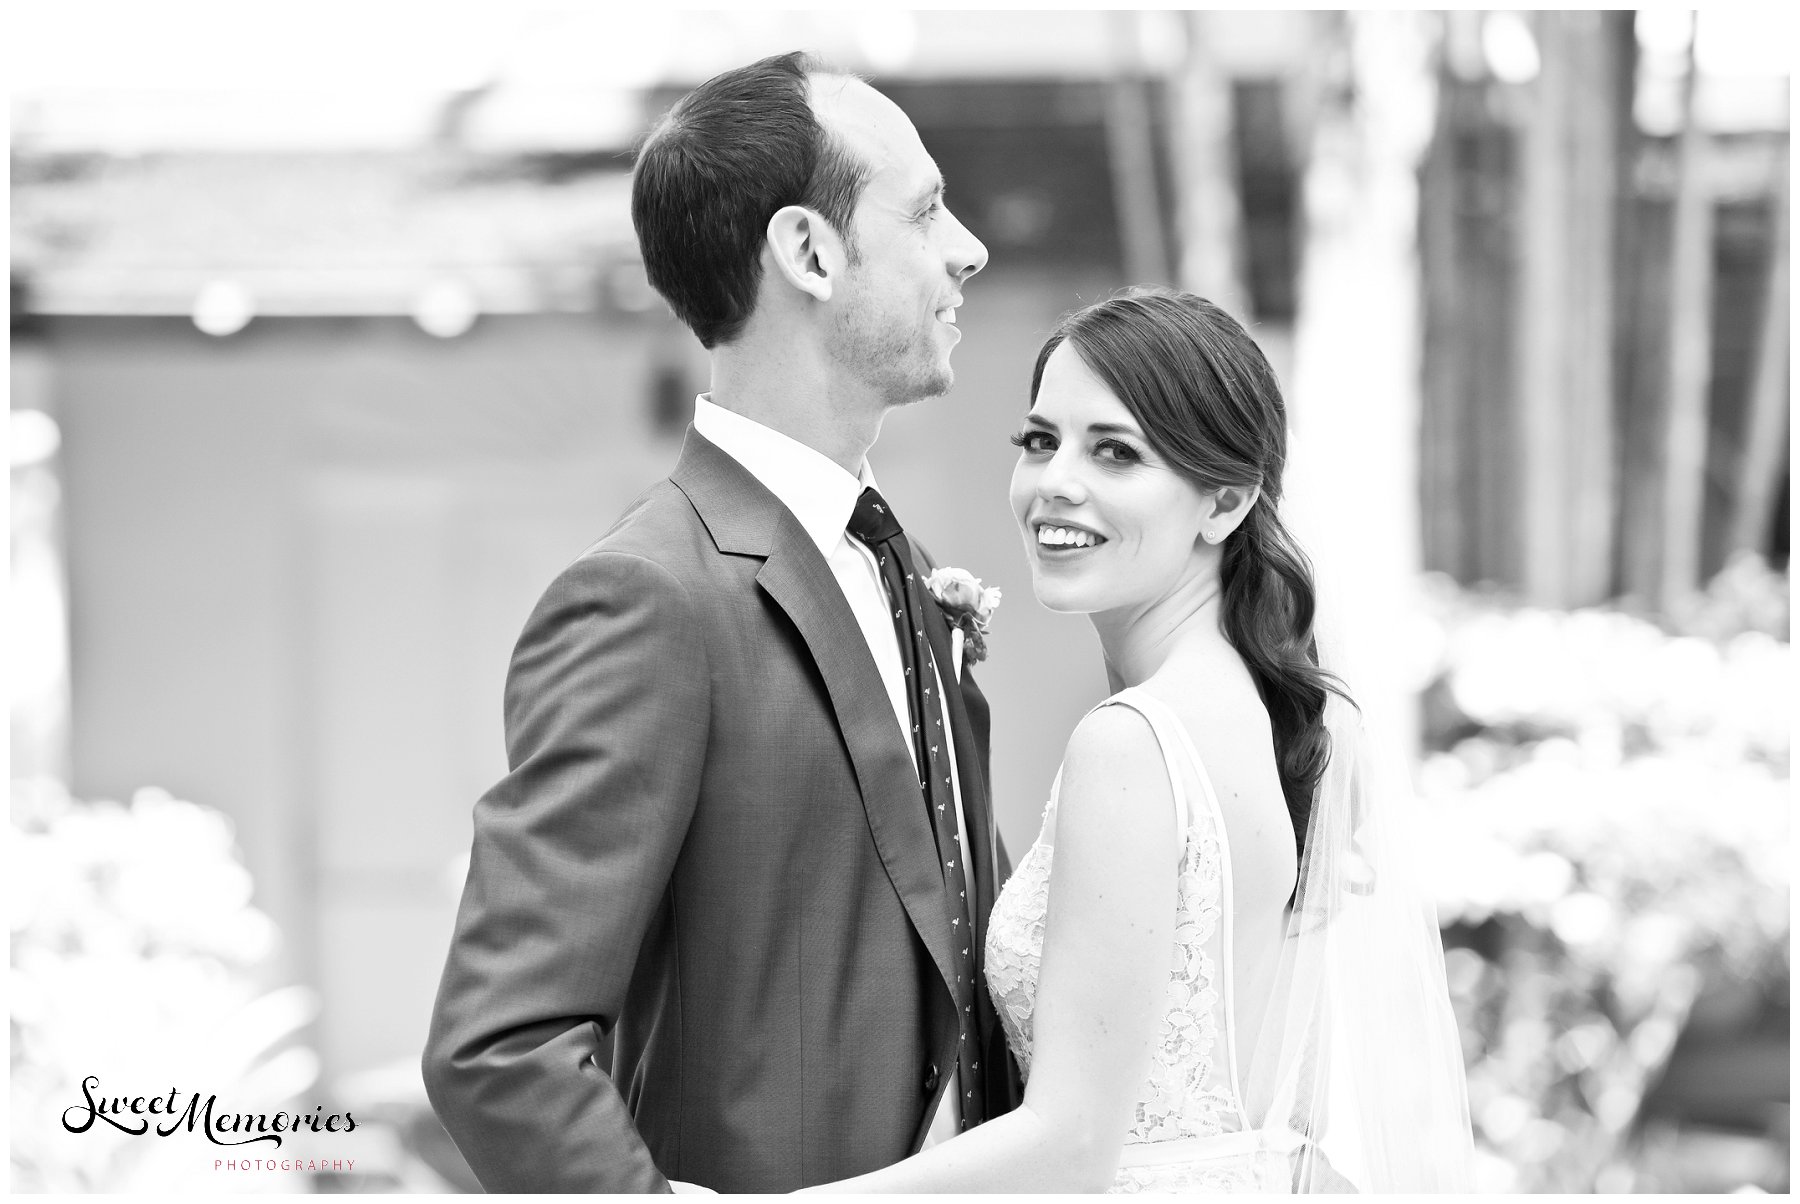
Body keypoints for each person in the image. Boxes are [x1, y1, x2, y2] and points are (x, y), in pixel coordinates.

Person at [421, 51, 1019, 1193]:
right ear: (809, 251)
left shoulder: (907, 575)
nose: (969, 248)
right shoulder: (648, 598)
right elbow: (501, 1044)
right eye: (929, 208)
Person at [806, 289, 1474, 1193]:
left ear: (1226, 502)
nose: (1055, 484)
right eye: (1040, 441)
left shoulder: (1133, 745)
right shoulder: (1248, 706)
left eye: (1115, 452)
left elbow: (1069, 1146)